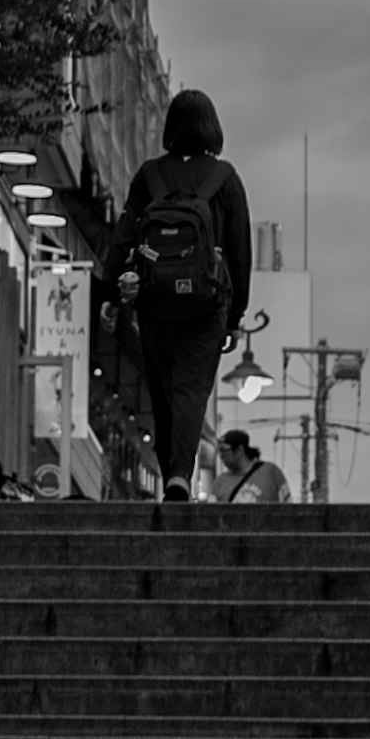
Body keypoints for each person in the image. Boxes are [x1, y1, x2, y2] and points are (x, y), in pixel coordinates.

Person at [97, 91, 252, 519]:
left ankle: (174, 477)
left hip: (154, 301)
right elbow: (239, 251)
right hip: (206, 304)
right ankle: (179, 477)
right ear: (212, 127)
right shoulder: (225, 178)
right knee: (190, 389)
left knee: (164, 391)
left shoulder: (150, 175)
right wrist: (235, 317)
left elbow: (124, 234)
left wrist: (111, 294)